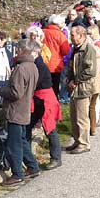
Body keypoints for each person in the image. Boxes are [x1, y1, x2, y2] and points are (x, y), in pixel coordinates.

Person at [0, 39, 40, 186]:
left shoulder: (21, 68)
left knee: (14, 144)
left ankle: (17, 174)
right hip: (25, 108)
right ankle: (32, 167)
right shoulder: (33, 66)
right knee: (22, 140)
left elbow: (15, 93)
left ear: (21, 50)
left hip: (16, 110)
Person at [28, 40, 62, 170]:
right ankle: (28, 158)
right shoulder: (35, 65)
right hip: (38, 99)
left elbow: (35, 84)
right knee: (28, 127)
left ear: (35, 53)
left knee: (50, 129)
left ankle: (56, 158)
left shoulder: (40, 67)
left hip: (45, 100)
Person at [65, 25, 97, 155]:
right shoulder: (75, 48)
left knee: (81, 117)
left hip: (83, 88)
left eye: (73, 35)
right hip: (74, 87)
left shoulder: (88, 49)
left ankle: (84, 143)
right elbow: (72, 65)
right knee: (74, 116)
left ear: (81, 36)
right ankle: (77, 140)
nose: (71, 37)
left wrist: (75, 80)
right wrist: (68, 77)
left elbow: (90, 71)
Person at [42, 14, 71, 96]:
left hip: (43, 63)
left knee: (43, 88)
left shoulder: (42, 32)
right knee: (54, 88)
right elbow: (66, 51)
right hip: (55, 65)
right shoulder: (60, 35)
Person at [87, 26, 100, 136]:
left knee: (94, 103)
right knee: (94, 103)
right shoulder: (98, 46)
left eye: (89, 34)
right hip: (98, 78)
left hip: (95, 79)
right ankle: (94, 123)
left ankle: (94, 123)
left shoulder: (96, 46)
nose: (88, 36)